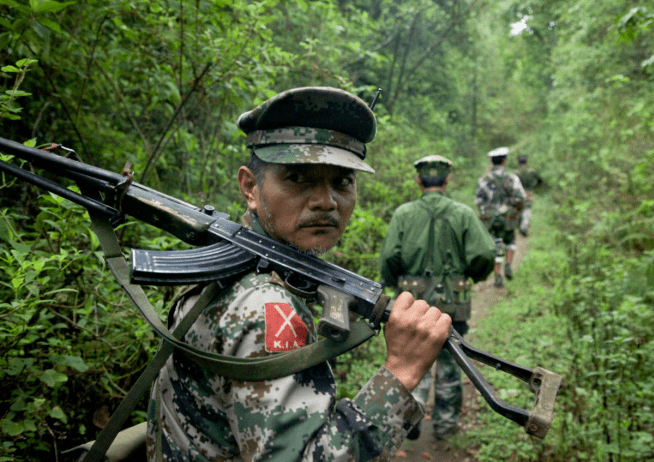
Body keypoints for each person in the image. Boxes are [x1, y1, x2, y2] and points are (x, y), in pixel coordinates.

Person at [145, 87, 452, 461]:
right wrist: (401, 372)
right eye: (297, 178)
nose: (326, 201)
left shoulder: (237, 261)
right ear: (250, 187)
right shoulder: (268, 308)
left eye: (342, 181)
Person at [378, 155, 495, 441]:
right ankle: (444, 425)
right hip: (454, 300)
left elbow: (389, 258)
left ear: (418, 180)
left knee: (412, 359)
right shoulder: (463, 214)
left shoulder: (404, 214)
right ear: (447, 180)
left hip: (412, 301)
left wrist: (397, 284)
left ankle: (410, 421)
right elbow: (485, 253)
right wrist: (469, 277)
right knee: (451, 361)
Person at [475, 147, 526, 288]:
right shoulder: (512, 178)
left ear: (492, 162)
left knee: (495, 245)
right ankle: (508, 265)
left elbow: (479, 201)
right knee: (510, 242)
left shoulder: (484, 180)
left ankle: (497, 275)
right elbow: (521, 197)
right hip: (509, 217)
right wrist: (515, 210)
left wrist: (488, 212)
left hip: (491, 219)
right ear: (504, 161)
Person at [515, 154, 543, 236]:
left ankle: (519, 224)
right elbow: (540, 180)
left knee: (519, 208)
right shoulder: (531, 171)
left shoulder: (516, 172)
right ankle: (524, 227)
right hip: (529, 192)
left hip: (519, 193)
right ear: (526, 162)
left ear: (518, 162)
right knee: (527, 209)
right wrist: (534, 187)